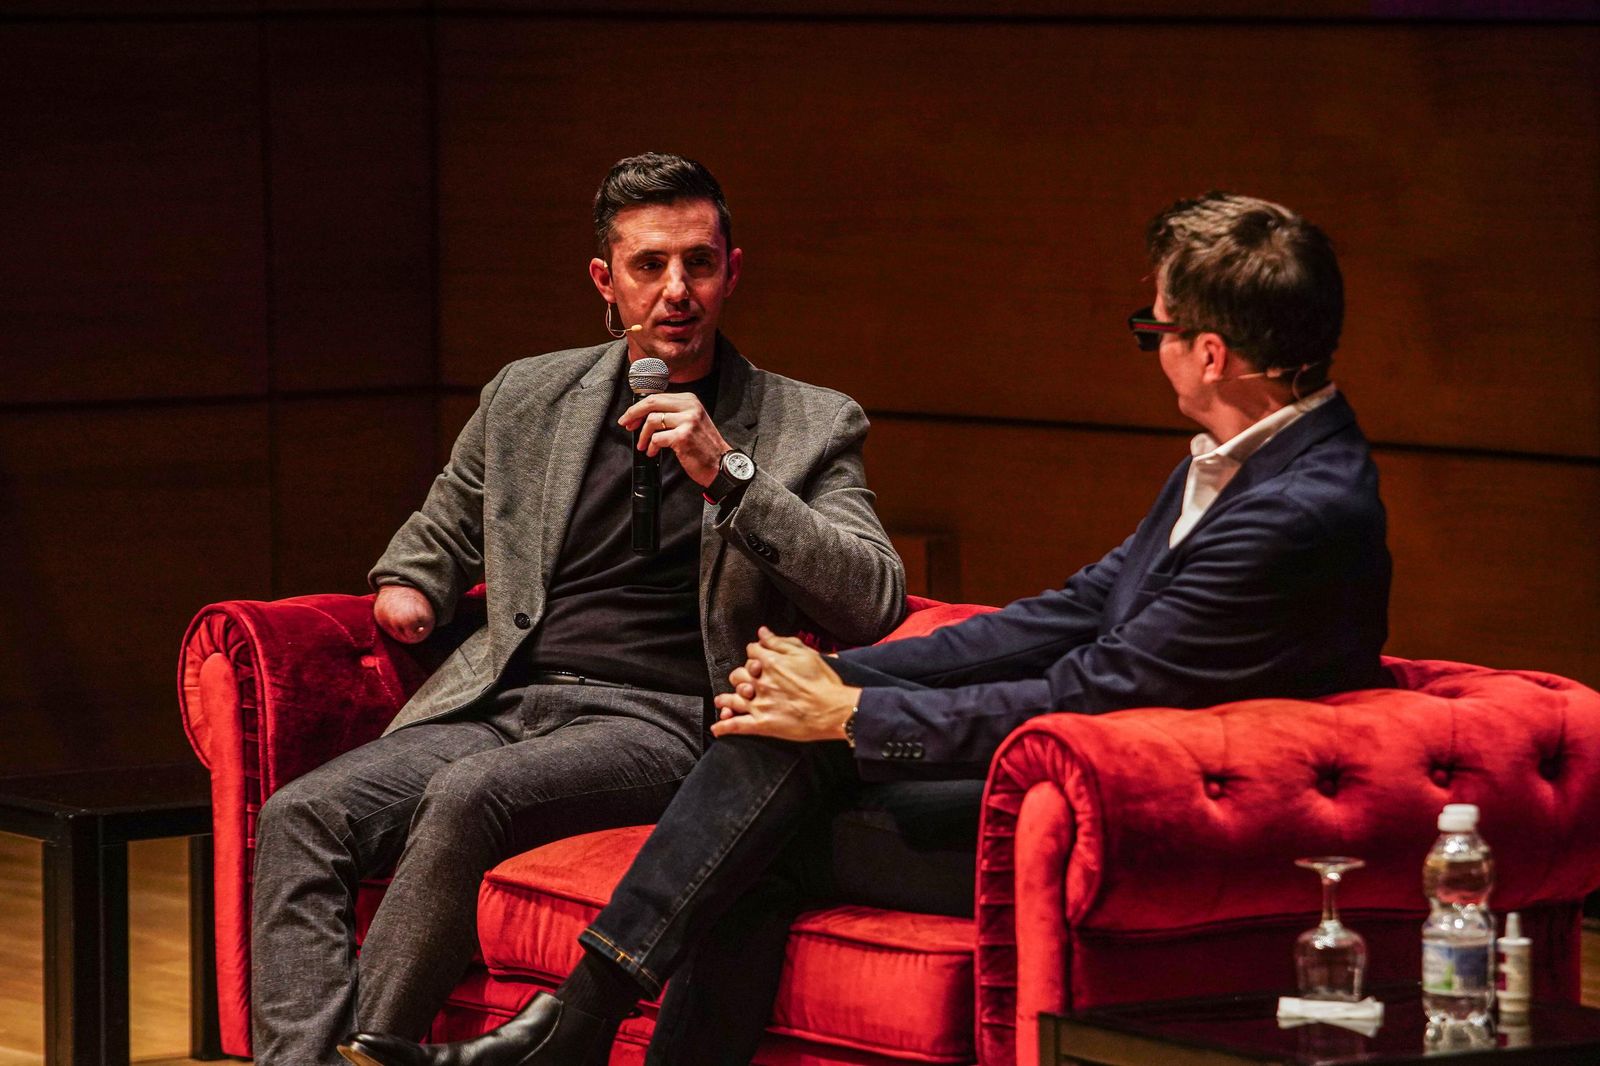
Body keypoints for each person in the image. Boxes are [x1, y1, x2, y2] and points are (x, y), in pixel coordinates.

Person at [337, 191, 1392, 1066]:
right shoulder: (1239, 460)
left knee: (770, 795)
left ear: (1208, 352)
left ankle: (574, 1024)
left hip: (1122, 810)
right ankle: (579, 1026)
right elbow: (1066, 613)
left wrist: (849, 711)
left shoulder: (1297, 509)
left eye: (1151, 330)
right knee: (761, 789)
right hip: (1067, 772)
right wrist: (842, 674)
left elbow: (1099, 684)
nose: (1149, 347)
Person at [249, 152, 906, 1066]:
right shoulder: (529, 396)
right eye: (650, 265)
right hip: (504, 700)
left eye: (699, 264)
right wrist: (412, 587)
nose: (677, 291)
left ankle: (376, 1050)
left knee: (468, 797)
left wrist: (732, 474)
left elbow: (874, 595)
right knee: (298, 816)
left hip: (662, 721)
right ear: (606, 278)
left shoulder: (809, 422)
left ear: (732, 272)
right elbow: (445, 525)